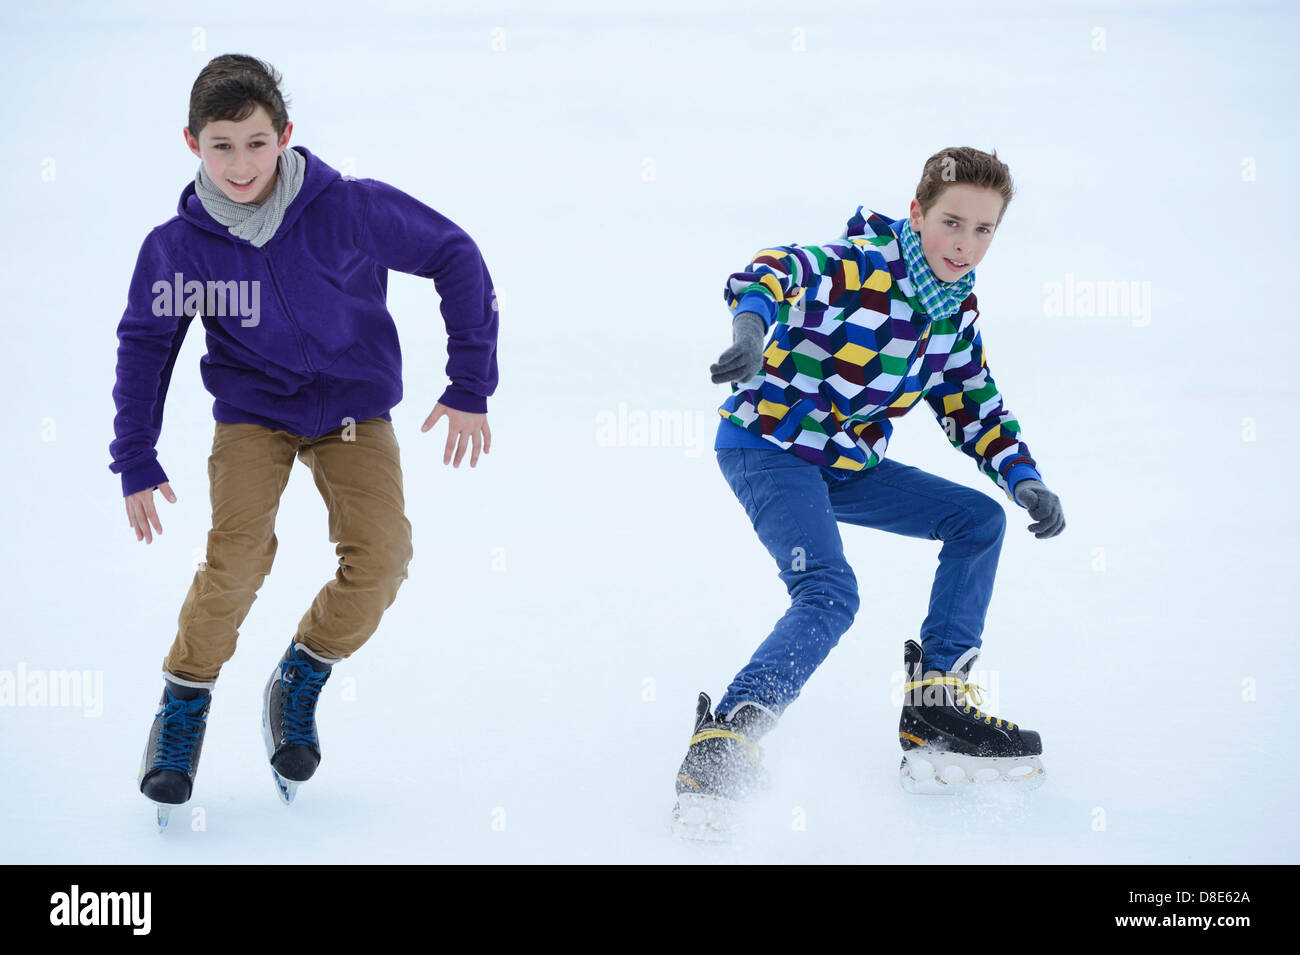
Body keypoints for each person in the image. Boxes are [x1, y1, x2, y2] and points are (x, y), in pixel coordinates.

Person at [112, 54, 498, 826]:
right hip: (253, 413)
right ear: (191, 143)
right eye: (221, 145)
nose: (241, 163)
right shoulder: (180, 248)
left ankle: (301, 673)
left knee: (383, 555)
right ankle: (183, 707)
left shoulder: (344, 209)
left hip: (353, 411)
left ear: (284, 135)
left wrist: (468, 382)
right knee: (241, 551)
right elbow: (146, 346)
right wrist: (135, 453)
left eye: (256, 142)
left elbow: (454, 253)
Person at [672, 147, 1064, 838]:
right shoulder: (862, 265)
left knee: (977, 520)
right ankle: (727, 737)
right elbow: (778, 268)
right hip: (768, 445)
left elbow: (973, 404)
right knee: (828, 591)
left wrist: (1023, 477)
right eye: (951, 223)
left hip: (842, 462)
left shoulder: (953, 311)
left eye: (984, 230)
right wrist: (752, 326)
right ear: (916, 214)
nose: (965, 244)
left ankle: (937, 704)